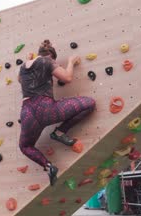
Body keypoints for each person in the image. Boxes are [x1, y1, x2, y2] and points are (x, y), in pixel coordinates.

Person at [18, 40, 96, 186]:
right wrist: (71, 62)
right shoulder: (47, 61)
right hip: (46, 109)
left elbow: (19, 80)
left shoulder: (23, 66)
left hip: (27, 112)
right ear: (52, 56)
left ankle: (48, 166)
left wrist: (28, 59)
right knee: (89, 104)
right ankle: (59, 132)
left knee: (25, 146)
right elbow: (67, 78)